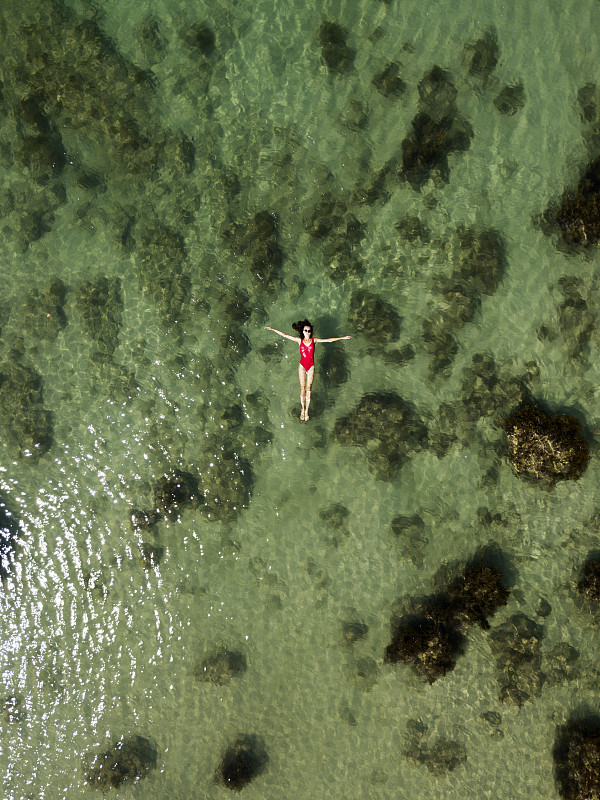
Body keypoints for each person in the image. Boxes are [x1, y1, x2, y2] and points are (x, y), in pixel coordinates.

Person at [265, 319, 351, 421]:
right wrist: (272, 329)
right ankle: (302, 408)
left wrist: (343, 337)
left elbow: (328, 340)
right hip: (302, 366)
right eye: (305, 331)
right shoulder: (299, 341)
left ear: (311, 332)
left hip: (311, 367)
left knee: (308, 388)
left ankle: (307, 411)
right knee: (303, 388)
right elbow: (284, 335)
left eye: (309, 331)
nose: (307, 333)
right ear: (302, 331)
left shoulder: (314, 341)